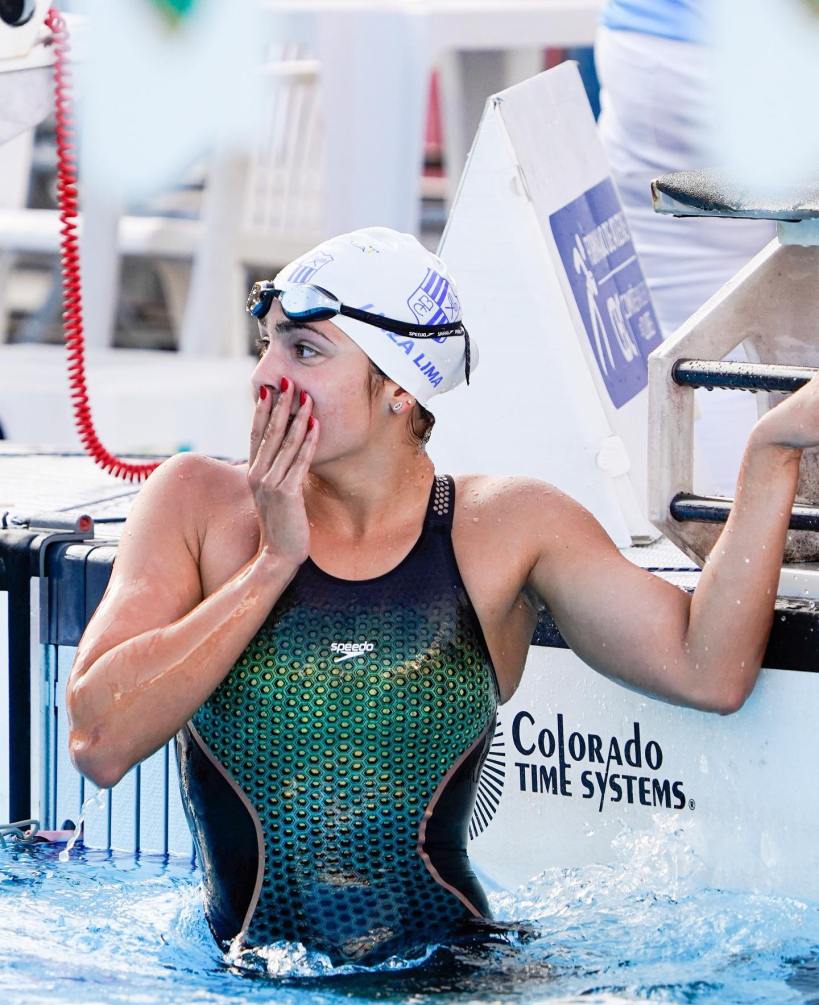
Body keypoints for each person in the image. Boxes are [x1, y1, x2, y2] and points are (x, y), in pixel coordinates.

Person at [65, 227, 813, 967]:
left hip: (450, 985)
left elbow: (708, 671)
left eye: (304, 350)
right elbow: (99, 743)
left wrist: (771, 451)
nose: (266, 374)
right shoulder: (197, 502)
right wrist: (272, 563)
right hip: (239, 990)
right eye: (266, 344)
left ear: (399, 387)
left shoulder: (505, 527)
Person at [595, 0, 777, 495]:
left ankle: (724, 526)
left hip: (659, 51)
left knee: (702, 341)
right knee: (716, 348)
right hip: (740, 55)